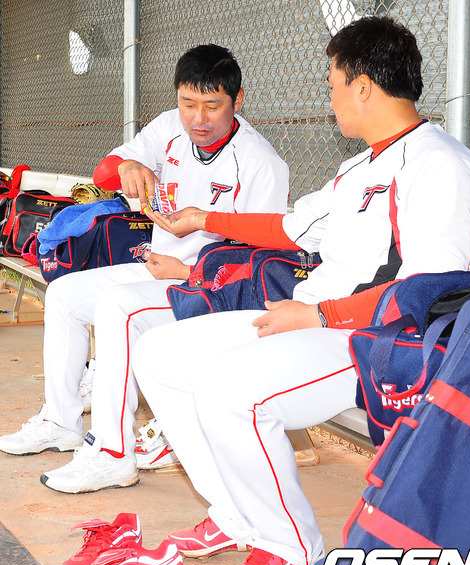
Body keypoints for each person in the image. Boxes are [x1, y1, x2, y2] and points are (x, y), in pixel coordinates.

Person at [128, 17, 470, 565]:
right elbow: (291, 227)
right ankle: (236, 514)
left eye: (333, 84)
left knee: (228, 389)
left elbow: (428, 290)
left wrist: (322, 316)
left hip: (372, 341)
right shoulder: (359, 166)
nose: (331, 97)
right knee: (159, 353)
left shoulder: (439, 163)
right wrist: (201, 219)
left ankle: (289, 545)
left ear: (362, 86)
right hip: (312, 316)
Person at [0, 44, 289, 494]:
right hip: (160, 272)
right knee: (63, 296)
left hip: (212, 290)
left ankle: (113, 454)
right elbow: (103, 173)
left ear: (238, 101)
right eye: (188, 103)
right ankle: (60, 421)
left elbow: (258, 262)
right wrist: (129, 164)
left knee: (119, 308)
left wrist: (187, 272)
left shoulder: (261, 163)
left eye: (212, 106)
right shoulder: (170, 127)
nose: (197, 118)